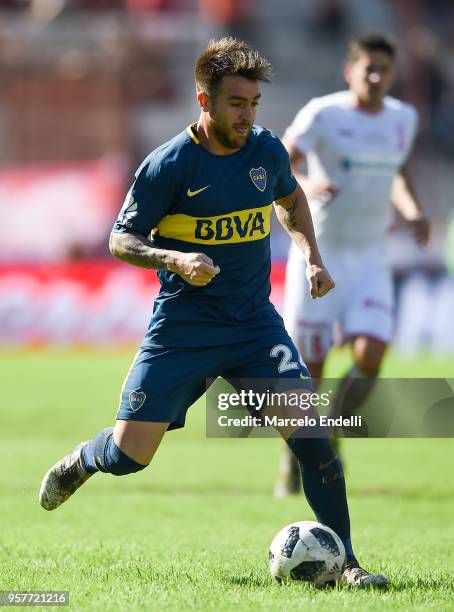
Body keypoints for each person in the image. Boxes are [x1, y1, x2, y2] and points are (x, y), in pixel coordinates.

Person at [39, 37, 387, 588]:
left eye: (253, 104)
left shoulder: (266, 150)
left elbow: (291, 200)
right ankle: (84, 459)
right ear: (204, 102)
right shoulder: (168, 165)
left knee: (316, 442)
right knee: (132, 455)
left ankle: (347, 563)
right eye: (235, 104)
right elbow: (120, 239)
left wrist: (311, 257)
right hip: (184, 329)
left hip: (253, 325)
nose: (247, 115)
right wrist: (172, 257)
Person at [275, 32, 430, 497]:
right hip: (319, 259)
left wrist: (411, 210)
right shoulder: (324, 113)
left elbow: (396, 171)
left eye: (385, 69)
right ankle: (294, 455)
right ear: (351, 71)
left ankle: (332, 428)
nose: (378, 77)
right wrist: (307, 181)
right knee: (310, 373)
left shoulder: (404, 119)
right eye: (369, 69)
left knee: (371, 357)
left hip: (370, 260)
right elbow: (280, 161)